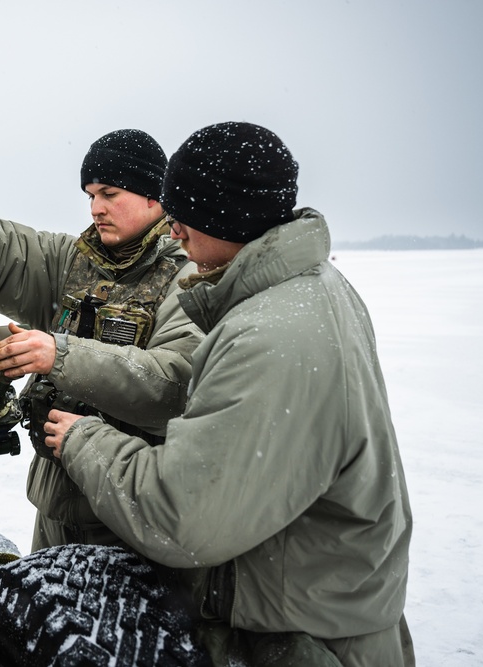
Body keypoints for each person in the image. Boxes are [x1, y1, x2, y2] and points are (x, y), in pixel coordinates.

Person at [43, 121, 415, 667]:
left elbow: (181, 519)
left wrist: (84, 439)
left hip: (300, 643)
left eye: (183, 216)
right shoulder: (308, 291)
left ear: (226, 216)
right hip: (310, 613)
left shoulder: (271, 335)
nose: (173, 233)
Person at [0, 129, 204, 551]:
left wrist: (57, 355)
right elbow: (2, 241)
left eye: (110, 193)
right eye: (90, 196)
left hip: (132, 516)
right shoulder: (74, 261)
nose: (96, 208)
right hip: (55, 508)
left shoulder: (188, 277)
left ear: (154, 196)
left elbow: (173, 386)